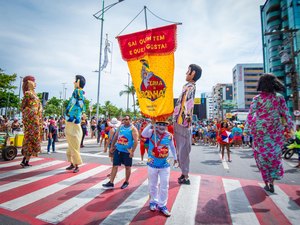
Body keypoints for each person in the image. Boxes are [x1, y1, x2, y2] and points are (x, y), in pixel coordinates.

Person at [244, 73, 293, 193]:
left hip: (260, 131)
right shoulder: (279, 97)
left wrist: (246, 129)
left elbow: (251, 114)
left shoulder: (257, 98)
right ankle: (272, 181)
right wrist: (291, 128)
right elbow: (286, 113)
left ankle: (267, 181)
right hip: (275, 131)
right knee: (274, 156)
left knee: (261, 156)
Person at [173, 64, 202, 185]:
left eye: (188, 71)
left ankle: (185, 175)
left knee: (183, 149)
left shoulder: (190, 86)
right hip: (180, 120)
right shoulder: (187, 86)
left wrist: (188, 116)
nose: (186, 73)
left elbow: (189, 101)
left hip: (183, 121)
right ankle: (184, 173)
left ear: (193, 73)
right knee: (182, 148)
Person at [141, 121, 178, 217]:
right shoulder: (151, 132)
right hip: (152, 164)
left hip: (164, 165)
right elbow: (143, 134)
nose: (161, 126)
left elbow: (172, 148)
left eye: (164, 124)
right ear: (156, 125)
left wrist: (175, 158)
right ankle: (153, 202)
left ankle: (162, 205)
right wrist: (151, 123)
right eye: (159, 124)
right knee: (153, 185)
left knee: (164, 185)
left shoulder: (169, 135)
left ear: (167, 126)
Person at [102, 115, 139, 189]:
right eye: (124, 119)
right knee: (114, 165)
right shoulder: (121, 127)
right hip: (118, 149)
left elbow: (136, 141)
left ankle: (126, 181)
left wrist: (132, 151)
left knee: (127, 167)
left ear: (130, 120)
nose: (125, 121)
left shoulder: (133, 129)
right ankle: (111, 182)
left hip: (127, 151)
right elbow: (115, 137)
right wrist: (112, 146)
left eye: (127, 119)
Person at [65, 75, 86, 173]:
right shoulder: (77, 92)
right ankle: (72, 164)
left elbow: (81, 105)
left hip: (73, 121)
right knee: (71, 144)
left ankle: (76, 165)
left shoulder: (78, 92)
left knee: (73, 143)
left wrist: (75, 115)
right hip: (71, 120)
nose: (73, 82)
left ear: (78, 82)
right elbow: (81, 106)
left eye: (75, 81)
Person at [20, 75, 43, 167]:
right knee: (30, 138)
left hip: (36, 118)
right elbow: (23, 107)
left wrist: (39, 109)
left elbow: (38, 106)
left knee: (33, 139)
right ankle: (25, 160)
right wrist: (31, 112)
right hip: (31, 119)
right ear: (28, 83)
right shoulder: (28, 93)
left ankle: (25, 160)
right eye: (33, 81)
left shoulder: (35, 94)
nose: (35, 83)